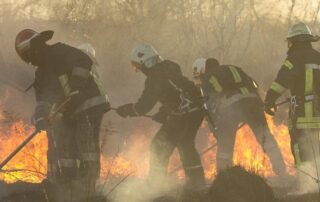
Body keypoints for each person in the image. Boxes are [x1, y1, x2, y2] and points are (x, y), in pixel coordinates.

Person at [15, 29, 110, 202]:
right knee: (66, 146)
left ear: (34, 48)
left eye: (29, 55)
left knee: (85, 145)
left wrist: (76, 86)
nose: (30, 60)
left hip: (88, 104)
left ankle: (90, 190)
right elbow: (42, 100)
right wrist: (41, 117)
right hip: (70, 110)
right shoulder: (41, 73)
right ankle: (69, 186)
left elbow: (85, 60)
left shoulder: (59, 50)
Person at [116, 44, 206, 191]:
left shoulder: (155, 76)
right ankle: (196, 184)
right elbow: (176, 91)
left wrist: (128, 110)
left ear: (145, 61)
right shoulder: (169, 67)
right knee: (185, 145)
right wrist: (164, 111)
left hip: (184, 113)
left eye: (138, 66)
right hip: (195, 110)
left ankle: (156, 186)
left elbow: (144, 106)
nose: (139, 70)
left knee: (159, 147)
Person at [192, 57, 287, 176]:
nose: (200, 80)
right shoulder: (234, 68)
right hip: (254, 104)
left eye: (200, 77)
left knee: (225, 144)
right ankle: (281, 171)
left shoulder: (209, 78)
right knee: (266, 138)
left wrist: (216, 129)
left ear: (203, 71)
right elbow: (255, 85)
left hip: (230, 109)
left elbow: (209, 106)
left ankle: (223, 176)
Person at [265, 22, 320, 189]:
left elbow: (282, 81)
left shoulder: (295, 57)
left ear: (295, 41)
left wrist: (269, 100)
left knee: (299, 146)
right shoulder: (318, 56)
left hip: (303, 114)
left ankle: (307, 186)